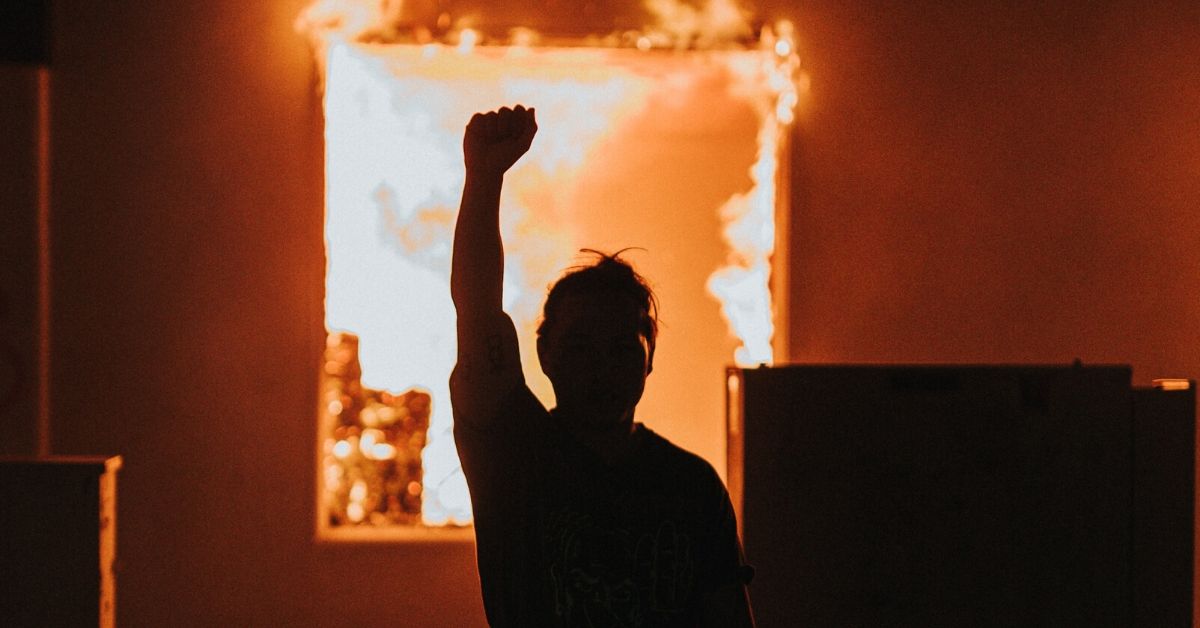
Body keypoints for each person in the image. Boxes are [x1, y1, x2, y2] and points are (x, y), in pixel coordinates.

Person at [450, 104, 755, 627]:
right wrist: (483, 179)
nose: (601, 369)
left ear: (649, 359)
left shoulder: (691, 486)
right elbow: (477, 311)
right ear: (544, 355)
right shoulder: (515, 453)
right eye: (580, 348)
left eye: (620, 349)